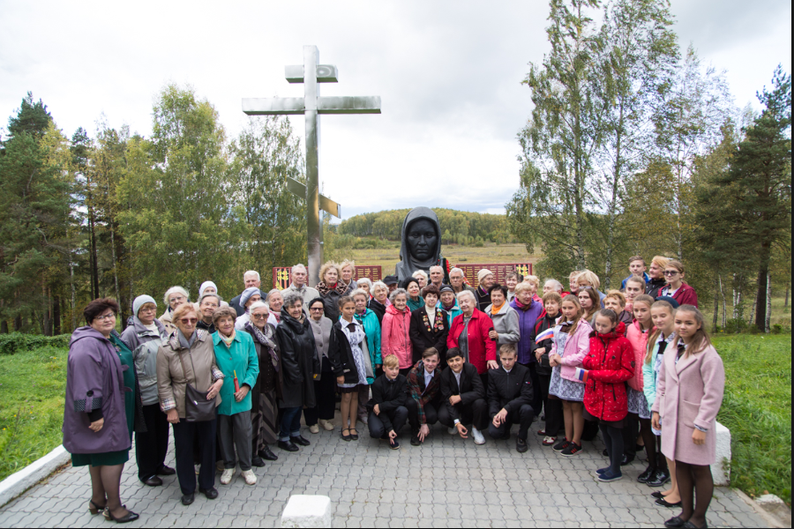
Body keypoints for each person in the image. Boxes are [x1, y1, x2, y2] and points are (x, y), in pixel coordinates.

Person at [63, 298, 140, 522]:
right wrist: (94, 413)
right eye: (101, 317)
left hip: (115, 407)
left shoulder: (108, 338)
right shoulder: (87, 344)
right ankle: (114, 508)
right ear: (90, 321)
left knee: (99, 454)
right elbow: (84, 381)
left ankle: (98, 500)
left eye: (110, 315)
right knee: (113, 455)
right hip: (103, 412)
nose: (107, 320)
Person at [652, 306, 724, 529]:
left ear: (699, 325)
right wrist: (657, 409)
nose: (682, 327)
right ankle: (686, 513)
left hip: (693, 421)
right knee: (681, 465)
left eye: (688, 323)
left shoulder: (708, 355)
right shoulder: (673, 347)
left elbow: (713, 395)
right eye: (679, 322)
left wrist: (702, 426)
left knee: (700, 468)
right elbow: (662, 381)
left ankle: (699, 519)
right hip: (672, 417)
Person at [156, 303, 224, 506]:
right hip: (182, 405)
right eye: (184, 320)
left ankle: (207, 484)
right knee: (184, 448)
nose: (189, 323)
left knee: (208, 444)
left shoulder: (206, 339)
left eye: (193, 319)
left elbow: (212, 365)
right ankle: (187, 488)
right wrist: (170, 409)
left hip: (207, 400)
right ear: (176, 322)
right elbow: (163, 383)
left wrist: (219, 380)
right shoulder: (165, 349)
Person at [119, 295, 172, 488]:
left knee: (162, 430)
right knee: (146, 434)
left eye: (152, 308)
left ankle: (159, 464)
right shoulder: (131, 334)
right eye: (144, 309)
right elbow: (125, 363)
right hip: (144, 391)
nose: (149, 312)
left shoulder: (160, 328)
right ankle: (146, 472)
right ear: (137, 312)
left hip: (163, 389)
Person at [581, 309, 634, 483]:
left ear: (614, 324)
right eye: (598, 324)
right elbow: (589, 358)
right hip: (596, 392)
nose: (600, 328)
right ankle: (611, 465)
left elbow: (627, 371)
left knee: (614, 431)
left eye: (604, 325)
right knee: (603, 428)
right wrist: (589, 362)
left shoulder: (623, 343)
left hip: (613, 394)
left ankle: (616, 468)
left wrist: (600, 374)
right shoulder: (594, 339)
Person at [212, 307, 259, 486]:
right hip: (221, 395)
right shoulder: (210, 341)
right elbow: (209, 365)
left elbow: (253, 365)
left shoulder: (246, 338)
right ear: (216, 324)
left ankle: (246, 467)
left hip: (242, 394)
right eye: (222, 320)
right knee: (223, 433)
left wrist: (247, 386)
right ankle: (229, 465)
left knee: (244, 432)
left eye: (229, 320)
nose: (226, 323)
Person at [548, 295, 592, 457]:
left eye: (570, 308)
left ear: (578, 308)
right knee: (565, 404)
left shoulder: (583, 327)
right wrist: (552, 356)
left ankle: (576, 441)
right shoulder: (561, 323)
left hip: (573, 371)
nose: (567, 311)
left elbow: (584, 353)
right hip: (559, 370)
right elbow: (555, 344)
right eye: (564, 308)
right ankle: (567, 437)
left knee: (575, 406)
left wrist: (563, 360)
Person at [275, 292, 319, 452]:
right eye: (292, 307)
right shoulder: (283, 327)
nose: (296, 309)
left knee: (300, 405)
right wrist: (296, 376)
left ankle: (295, 433)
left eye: (298, 306)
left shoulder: (305, 322)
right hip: (292, 375)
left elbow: (312, 345)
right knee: (292, 407)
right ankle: (284, 437)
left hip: (306, 371)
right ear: (286, 308)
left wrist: (315, 367)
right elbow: (287, 355)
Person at [644, 299, 679, 497]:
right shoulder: (655, 338)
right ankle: (671, 485)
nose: (658, 320)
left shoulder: (680, 341)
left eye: (663, 316)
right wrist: (652, 398)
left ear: (673, 315)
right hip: (656, 398)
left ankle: (676, 488)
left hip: (673, 401)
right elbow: (648, 369)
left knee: (673, 446)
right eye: (655, 316)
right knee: (662, 441)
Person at [329, 296, 374, 442]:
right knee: (346, 396)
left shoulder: (358, 323)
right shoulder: (337, 327)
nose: (350, 311)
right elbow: (334, 351)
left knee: (355, 395)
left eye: (352, 308)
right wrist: (339, 372)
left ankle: (353, 425)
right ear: (341, 309)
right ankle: (344, 426)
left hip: (358, 362)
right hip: (346, 364)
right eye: (347, 308)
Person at [244, 301, 281, 465]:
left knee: (267, 414)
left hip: (269, 381)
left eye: (265, 315)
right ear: (250, 315)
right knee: (254, 418)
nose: (261, 318)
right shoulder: (245, 334)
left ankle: (263, 446)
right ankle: (253, 452)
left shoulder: (271, 330)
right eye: (257, 315)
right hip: (254, 384)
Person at [624, 294, 656, 467]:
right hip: (632, 383)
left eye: (644, 310)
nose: (640, 314)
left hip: (649, 387)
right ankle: (628, 453)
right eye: (636, 310)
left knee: (647, 425)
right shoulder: (631, 329)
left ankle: (654, 462)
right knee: (630, 421)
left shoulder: (658, 331)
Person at [487, 344, 535, 453]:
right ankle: (506, 428)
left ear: (516, 358)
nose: (507, 362)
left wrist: (507, 408)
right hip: (501, 409)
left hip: (517, 409)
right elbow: (492, 397)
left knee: (527, 410)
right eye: (504, 359)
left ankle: (522, 437)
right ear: (500, 357)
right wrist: (494, 415)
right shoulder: (493, 373)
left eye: (510, 359)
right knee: (494, 433)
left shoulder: (524, 371)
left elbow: (527, 396)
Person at [447, 290, 498, 388]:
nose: (464, 304)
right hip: (460, 364)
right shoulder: (457, 319)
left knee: (479, 390)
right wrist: (456, 353)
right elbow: (450, 338)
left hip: (478, 363)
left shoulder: (483, 318)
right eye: (461, 302)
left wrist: (491, 358)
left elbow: (489, 340)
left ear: (474, 302)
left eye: (466, 301)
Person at [438, 348, 488, 445]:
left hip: (468, 401)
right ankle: (454, 424)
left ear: (463, 360)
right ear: (447, 362)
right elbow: (447, 398)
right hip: (453, 403)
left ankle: (476, 428)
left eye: (457, 360)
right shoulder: (444, 374)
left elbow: (480, 391)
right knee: (443, 415)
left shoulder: (471, 369)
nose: (455, 363)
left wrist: (461, 397)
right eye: (451, 361)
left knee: (480, 403)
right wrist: (457, 422)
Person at [533, 292, 563, 447]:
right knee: (546, 398)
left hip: (556, 366)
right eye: (547, 303)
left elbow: (563, 343)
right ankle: (550, 426)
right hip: (542, 366)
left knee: (554, 400)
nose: (550, 306)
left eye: (553, 303)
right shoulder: (540, 322)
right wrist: (535, 350)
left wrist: (546, 349)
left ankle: (553, 431)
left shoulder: (563, 323)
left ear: (559, 305)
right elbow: (532, 338)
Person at [511, 281, 544, 415]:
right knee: (518, 383)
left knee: (535, 383)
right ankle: (518, 411)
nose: (528, 296)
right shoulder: (510, 308)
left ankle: (535, 411)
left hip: (532, 352)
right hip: (517, 352)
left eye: (530, 293)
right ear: (517, 294)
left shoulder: (538, 307)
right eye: (525, 293)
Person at [305, 298, 336, 434]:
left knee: (327, 392)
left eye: (320, 308)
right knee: (313, 392)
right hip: (312, 363)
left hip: (327, 362)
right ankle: (312, 421)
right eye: (314, 308)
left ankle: (325, 418)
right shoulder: (305, 323)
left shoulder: (328, 322)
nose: (317, 311)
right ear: (309, 310)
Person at [367, 355, 411, 450]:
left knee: (403, 411)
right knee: (376, 432)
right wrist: (389, 427)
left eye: (397, 368)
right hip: (379, 413)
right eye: (391, 369)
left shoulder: (402, 380)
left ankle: (393, 435)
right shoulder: (377, 384)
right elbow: (377, 408)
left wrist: (382, 406)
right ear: (384, 368)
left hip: (391, 409)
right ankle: (388, 431)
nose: (394, 372)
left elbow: (402, 400)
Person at [394, 207, 448, 282]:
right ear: (405, 238)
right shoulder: (400, 269)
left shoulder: (445, 268)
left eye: (429, 235)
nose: (422, 242)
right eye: (415, 235)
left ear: (437, 238)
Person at [352, 288, 382, 422]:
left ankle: (363, 411)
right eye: (356, 300)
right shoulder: (346, 315)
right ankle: (352, 412)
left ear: (366, 301)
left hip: (369, 355)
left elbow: (377, 338)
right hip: (352, 357)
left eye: (362, 300)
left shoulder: (372, 315)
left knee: (365, 385)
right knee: (353, 385)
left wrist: (378, 358)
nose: (359, 303)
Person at [406, 347, 443, 446]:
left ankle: (419, 422)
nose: (430, 364)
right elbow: (416, 398)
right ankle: (414, 428)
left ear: (438, 361)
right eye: (428, 360)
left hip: (423, 399)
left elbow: (432, 393)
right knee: (412, 404)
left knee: (432, 417)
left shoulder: (438, 373)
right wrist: (423, 423)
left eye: (433, 361)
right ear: (423, 359)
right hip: (411, 398)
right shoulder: (414, 373)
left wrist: (421, 406)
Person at [409, 284, 449, 365]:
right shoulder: (416, 314)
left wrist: (436, 350)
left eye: (434, 296)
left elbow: (444, 334)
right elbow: (413, 334)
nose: (432, 298)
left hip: (438, 354)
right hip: (421, 354)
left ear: (437, 299)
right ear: (424, 298)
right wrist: (426, 351)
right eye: (429, 296)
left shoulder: (442, 313)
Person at [381, 288, 413, 375]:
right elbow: (385, 339)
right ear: (393, 301)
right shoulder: (388, 316)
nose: (401, 303)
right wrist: (386, 357)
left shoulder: (409, 314)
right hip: (395, 355)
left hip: (409, 354)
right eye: (398, 300)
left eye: (403, 300)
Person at [485, 284, 520, 351]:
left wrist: (498, 336)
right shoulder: (487, 311)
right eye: (494, 296)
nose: (496, 298)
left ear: (504, 297)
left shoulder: (510, 312)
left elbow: (515, 336)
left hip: (505, 353)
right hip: (490, 352)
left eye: (499, 296)